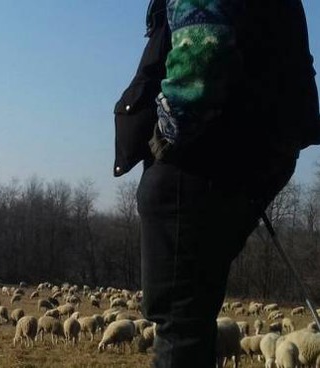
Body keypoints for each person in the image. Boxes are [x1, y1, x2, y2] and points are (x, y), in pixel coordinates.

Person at [114, 0, 320, 367]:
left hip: (197, 165)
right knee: (193, 316)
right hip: (248, 156)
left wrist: (165, 134)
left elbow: (201, 57)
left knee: (179, 326)